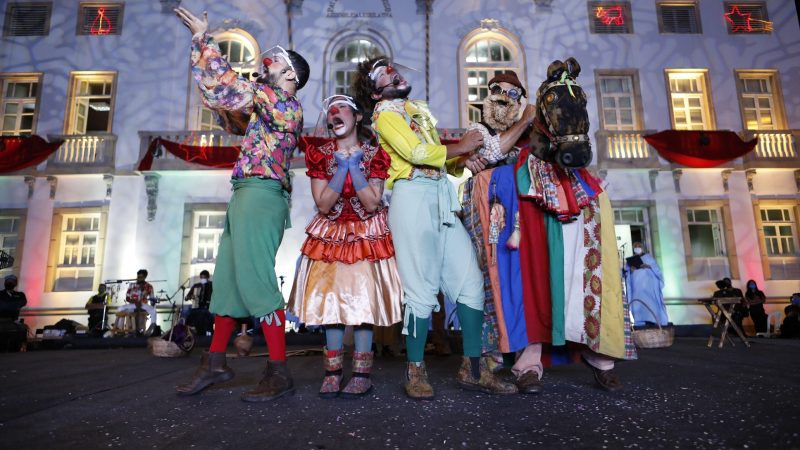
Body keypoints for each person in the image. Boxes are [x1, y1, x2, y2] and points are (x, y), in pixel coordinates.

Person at [352, 56, 516, 399]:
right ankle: (415, 369)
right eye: (383, 73)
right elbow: (415, 152)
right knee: (420, 290)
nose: (393, 72)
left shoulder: (414, 111)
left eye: (392, 68)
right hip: (411, 198)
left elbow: (437, 159)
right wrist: (460, 147)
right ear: (376, 92)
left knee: (471, 283)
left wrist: (461, 159)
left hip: (441, 195)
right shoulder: (385, 115)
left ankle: (473, 368)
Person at [173, 7, 310, 402]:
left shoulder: (284, 104)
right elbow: (222, 101)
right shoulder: (263, 105)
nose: (267, 62)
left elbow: (227, 86)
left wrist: (203, 39)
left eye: (276, 61)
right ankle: (215, 362)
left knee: (257, 281)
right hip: (245, 191)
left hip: (262, 194)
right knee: (229, 285)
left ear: (291, 76)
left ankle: (279, 371)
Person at [288, 94, 403, 398]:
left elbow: (372, 203)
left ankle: (362, 374)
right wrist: (341, 169)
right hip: (331, 234)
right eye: (330, 111)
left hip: (366, 234)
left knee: (364, 304)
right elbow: (324, 204)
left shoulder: (375, 155)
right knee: (331, 303)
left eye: (341, 109)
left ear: (358, 116)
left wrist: (354, 167)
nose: (334, 113)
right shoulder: (320, 154)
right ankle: (332, 373)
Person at [458, 71, 542, 393]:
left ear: (521, 100)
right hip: (487, 211)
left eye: (512, 93)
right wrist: (525, 122)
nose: (504, 96)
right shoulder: (478, 130)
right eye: (498, 90)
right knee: (488, 279)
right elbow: (492, 151)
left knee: (524, 280)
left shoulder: (531, 134)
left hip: (522, 214)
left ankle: (527, 361)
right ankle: (485, 363)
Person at [625, 242, 669, 327]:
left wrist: (648, 266)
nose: (637, 248)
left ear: (642, 248)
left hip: (648, 286)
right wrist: (630, 270)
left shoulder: (648, 258)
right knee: (637, 303)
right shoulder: (631, 260)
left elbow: (656, 270)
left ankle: (653, 320)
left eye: (639, 246)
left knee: (650, 303)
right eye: (635, 246)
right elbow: (625, 271)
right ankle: (639, 322)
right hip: (636, 287)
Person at [115, 269, 158, 335]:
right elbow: (127, 298)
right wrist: (135, 302)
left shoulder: (149, 286)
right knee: (120, 309)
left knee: (153, 310)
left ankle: (152, 329)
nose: (138, 278)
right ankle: (120, 329)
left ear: (145, 277)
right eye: (138, 277)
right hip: (133, 304)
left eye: (141, 277)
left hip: (143, 305)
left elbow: (152, 298)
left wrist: (154, 301)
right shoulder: (132, 285)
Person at [184, 270, 214, 336]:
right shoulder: (196, 286)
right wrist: (191, 296)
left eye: (204, 277)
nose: (202, 279)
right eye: (201, 277)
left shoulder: (211, 285)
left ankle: (208, 331)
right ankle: (185, 330)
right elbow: (186, 298)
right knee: (185, 310)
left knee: (207, 313)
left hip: (208, 306)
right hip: (197, 306)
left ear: (208, 277)